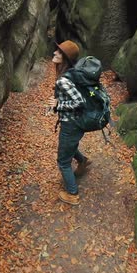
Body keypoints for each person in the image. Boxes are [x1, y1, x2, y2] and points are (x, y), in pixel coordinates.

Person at [47, 40, 92, 205]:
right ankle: (83, 160)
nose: (54, 54)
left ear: (65, 58)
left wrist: (59, 105)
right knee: (69, 145)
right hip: (74, 123)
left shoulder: (64, 80)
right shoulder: (70, 74)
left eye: (58, 52)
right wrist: (55, 106)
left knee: (63, 162)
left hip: (71, 125)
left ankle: (72, 194)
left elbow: (80, 102)